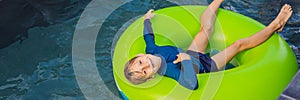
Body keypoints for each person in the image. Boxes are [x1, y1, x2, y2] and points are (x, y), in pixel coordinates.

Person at [124, 0, 293, 90]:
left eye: (140, 62)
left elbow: (148, 36)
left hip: (192, 53)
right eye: (145, 71)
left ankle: (218, 0)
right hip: (206, 66)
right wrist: (185, 60)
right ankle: (275, 25)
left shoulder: (151, 50)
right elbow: (192, 84)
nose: (146, 64)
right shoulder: (169, 70)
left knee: (205, 29)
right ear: (152, 76)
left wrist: (146, 20)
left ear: (140, 56)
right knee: (238, 45)